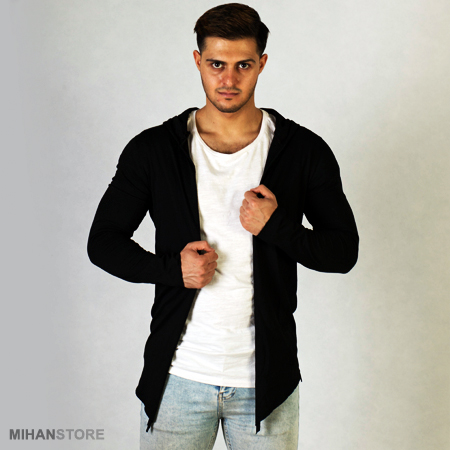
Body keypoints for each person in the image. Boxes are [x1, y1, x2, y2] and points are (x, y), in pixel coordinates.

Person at [88, 3, 358, 449]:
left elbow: (343, 252)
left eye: (242, 65)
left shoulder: (303, 151)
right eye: (216, 64)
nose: (228, 79)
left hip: (266, 385)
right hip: (178, 378)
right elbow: (103, 242)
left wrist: (277, 227)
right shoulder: (153, 150)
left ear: (262, 64)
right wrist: (172, 270)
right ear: (198, 61)